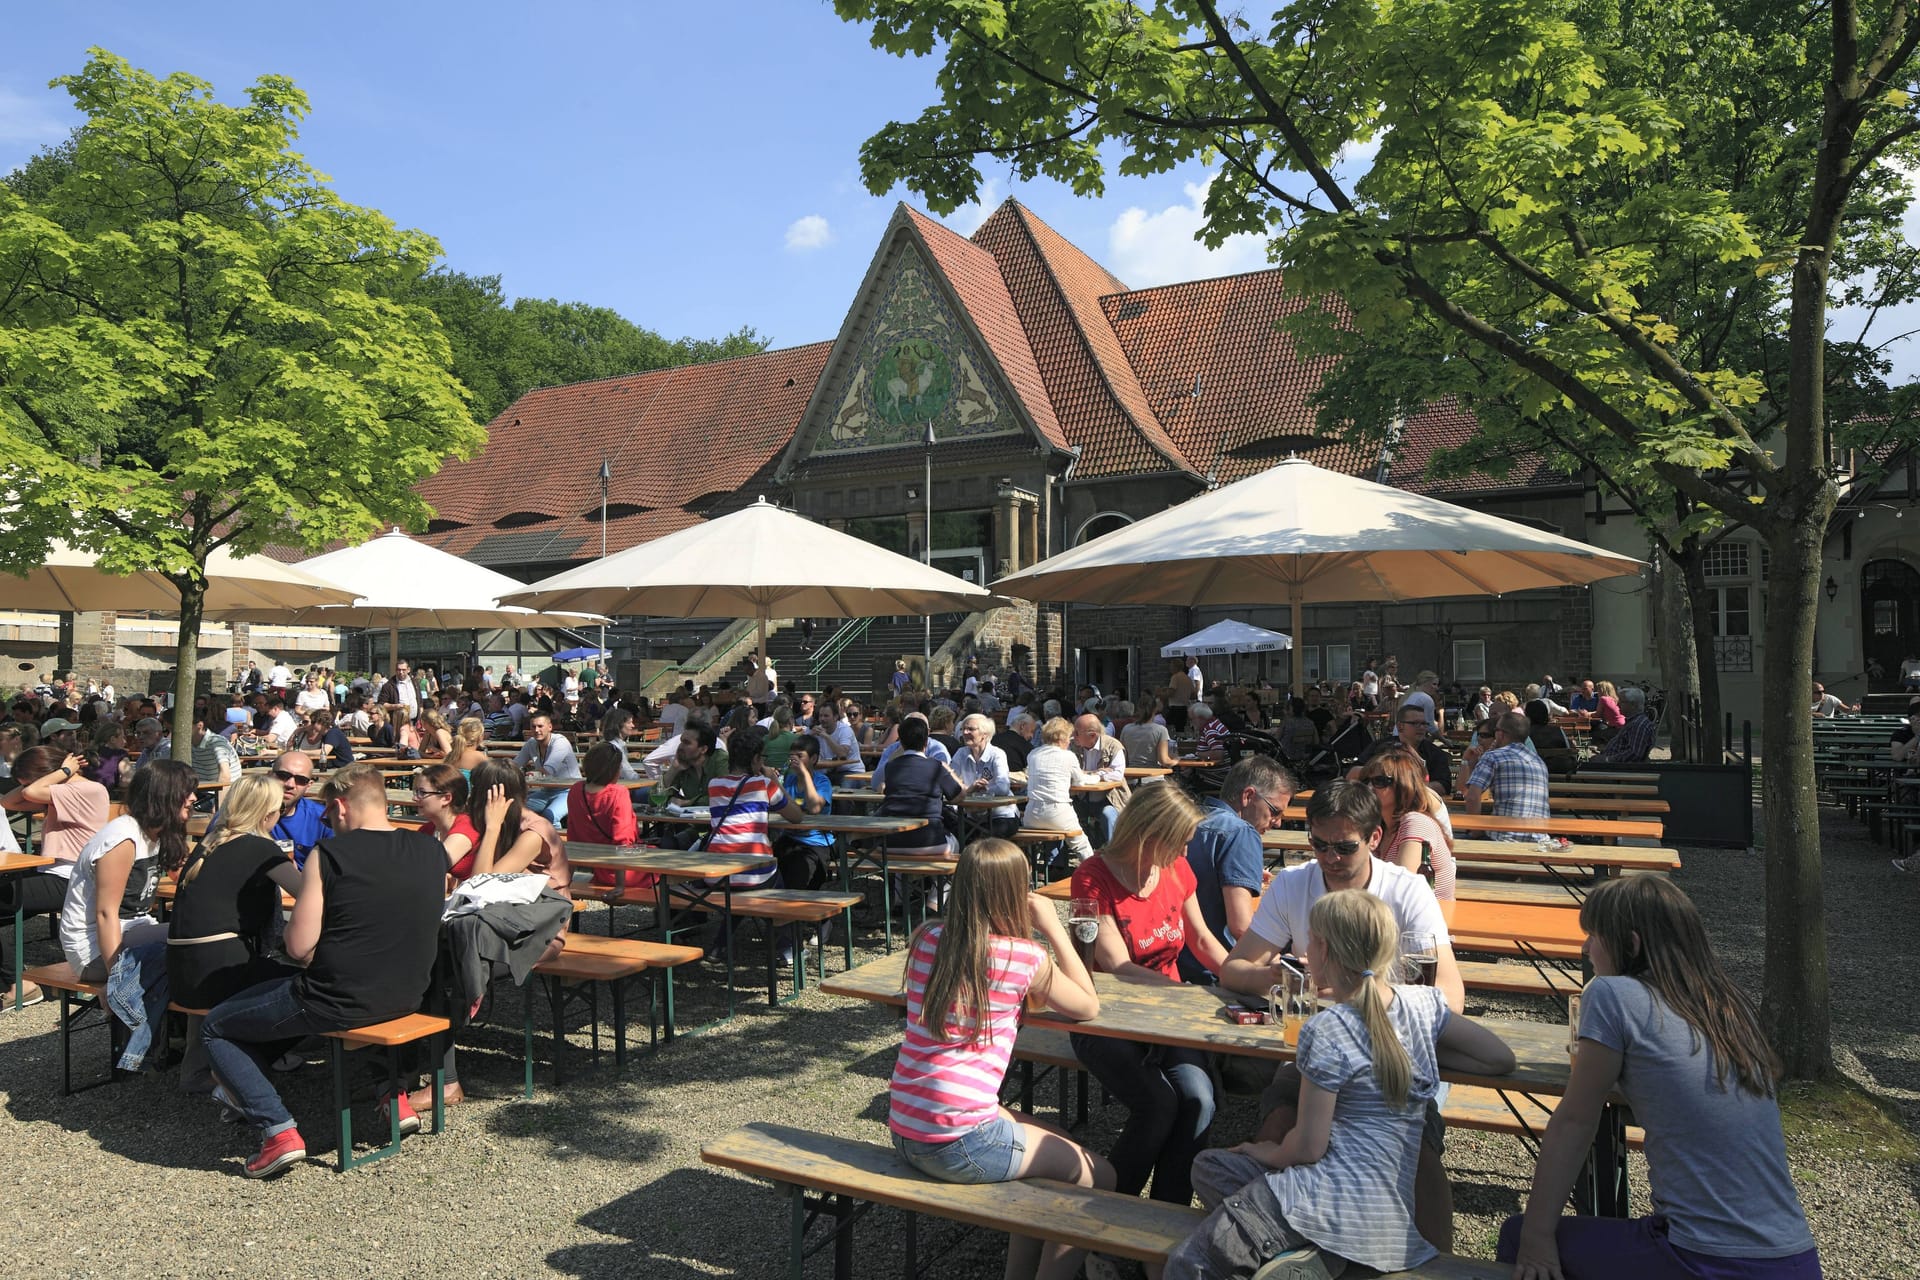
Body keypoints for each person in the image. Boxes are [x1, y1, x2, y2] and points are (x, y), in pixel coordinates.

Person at [1168, 890, 1516, 1280]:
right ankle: (1313, 1257)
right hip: (1389, 1219)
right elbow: (1499, 1057)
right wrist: (1407, 1051)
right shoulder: (1424, 1005)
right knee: (1210, 1165)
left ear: (1323, 950)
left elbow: (1308, 1149)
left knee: (1188, 1265)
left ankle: (1316, 1251)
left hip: (1322, 1201)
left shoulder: (1327, 1029)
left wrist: (1265, 1150)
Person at [1501, 876, 1820, 1280]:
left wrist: (1536, 1236)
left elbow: (1575, 1121)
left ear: (1630, 945)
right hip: (1795, 1259)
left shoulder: (1612, 994)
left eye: (1593, 936)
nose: (1585, 948)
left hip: (1705, 1260)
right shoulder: (1725, 1005)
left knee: (1519, 1238)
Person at [1218, 780, 1465, 1248]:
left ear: (1374, 839)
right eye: (1318, 843)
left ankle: (1441, 1261)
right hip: (1315, 1047)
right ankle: (1273, 1243)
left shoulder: (1407, 891)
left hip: (1389, 1051)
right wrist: (1284, 978)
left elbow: (1451, 995)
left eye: (1344, 846)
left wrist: (1362, 989)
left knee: (1418, 1144)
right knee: (1276, 1125)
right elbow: (1235, 969)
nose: (1329, 857)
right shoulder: (1293, 883)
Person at [200, 763, 446, 1177]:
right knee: (345, 989)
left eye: (330, 816)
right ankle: (392, 1094)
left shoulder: (328, 854)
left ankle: (277, 1130)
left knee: (216, 1026)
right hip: (409, 991)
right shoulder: (431, 850)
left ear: (341, 807)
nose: (330, 823)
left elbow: (298, 947)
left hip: (335, 1000)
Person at [887, 838, 1107, 1280]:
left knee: (1053, 1139)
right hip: (960, 1141)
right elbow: (1088, 1005)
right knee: (1098, 1177)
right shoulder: (1023, 958)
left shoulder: (927, 938)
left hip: (907, 1128)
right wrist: (1052, 926)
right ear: (1015, 893)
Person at [1070, 783, 1224, 1207]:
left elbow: (1204, 941)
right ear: (1149, 835)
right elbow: (1118, 969)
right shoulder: (1093, 876)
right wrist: (1191, 998)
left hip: (1167, 1015)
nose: (1186, 854)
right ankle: (1109, 1217)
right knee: (1158, 1103)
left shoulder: (1175, 868)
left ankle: (1162, 1221)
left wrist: (1242, 979)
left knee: (1198, 1100)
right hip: (1106, 1016)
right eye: (1181, 843)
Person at [168, 773, 303, 1009]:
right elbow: (310, 895)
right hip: (222, 973)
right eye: (279, 808)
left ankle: (198, 1044)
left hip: (182, 974)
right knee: (312, 986)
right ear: (267, 813)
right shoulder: (261, 848)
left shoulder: (209, 842)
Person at [61, 759, 195, 982]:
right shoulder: (123, 839)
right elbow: (105, 914)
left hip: (133, 931)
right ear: (163, 796)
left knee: (206, 938)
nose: (194, 798)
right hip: (96, 950)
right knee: (191, 939)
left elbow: (184, 877)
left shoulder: (158, 830)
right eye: (187, 792)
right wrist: (117, 979)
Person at [0, 745, 112, 1005]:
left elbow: (29, 792)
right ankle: (15, 981)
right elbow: (8, 801)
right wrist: (57, 774)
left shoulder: (87, 790)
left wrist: (62, 771)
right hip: (53, 872)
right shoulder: (63, 791)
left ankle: (20, 985)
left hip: (71, 880)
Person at [1178, 756, 1295, 986]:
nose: (1278, 822)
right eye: (1274, 811)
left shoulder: (1190, 818)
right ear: (1248, 796)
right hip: (1215, 972)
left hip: (1179, 962)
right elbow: (1241, 926)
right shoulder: (1242, 833)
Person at [466, 760, 572, 896]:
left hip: (543, 909)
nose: (470, 798)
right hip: (513, 903)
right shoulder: (506, 822)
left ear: (491, 796)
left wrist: (492, 828)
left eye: (475, 790)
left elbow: (480, 886)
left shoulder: (533, 834)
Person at [1367, 747, 1457, 899]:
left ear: (1404, 786)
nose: (1369, 787)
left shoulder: (1415, 822)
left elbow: (1401, 885)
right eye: (1367, 781)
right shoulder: (1383, 827)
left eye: (1379, 781)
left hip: (1427, 917)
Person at [877, 716, 963, 859]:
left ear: (901, 742)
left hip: (891, 842)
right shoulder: (936, 766)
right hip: (930, 841)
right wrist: (951, 773)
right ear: (926, 741)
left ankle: (901, 882)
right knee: (955, 843)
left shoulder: (891, 767)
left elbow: (879, 786)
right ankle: (940, 881)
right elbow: (958, 796)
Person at [1462, 711, 1554, 842]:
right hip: (1540, 840)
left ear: (1500, 734)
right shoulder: (1538, 761)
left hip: (1503, 839)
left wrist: (1475, 830)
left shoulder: (1493, 757)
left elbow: (1471, 797)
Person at [1020, 717, 1094, 870]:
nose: (1070, 742)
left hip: (1032, 815)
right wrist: (1096, 777)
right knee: (1082, 844)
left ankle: (1037, 871)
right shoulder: (1068, 756)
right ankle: (1095, 874)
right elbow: (1080, 781)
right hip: (1058, 812)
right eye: (1069, 738)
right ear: (1063, 738)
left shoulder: (1033, 754)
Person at [776, 734, 835, 894]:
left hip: (815, 843)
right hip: (789, 838)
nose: (794, 760)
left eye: (800, 756)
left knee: (797, 875)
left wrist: (805, 774)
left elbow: (815, 807)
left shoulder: (822, 781)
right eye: (791, 756)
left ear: (813, 758)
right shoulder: (789, 780)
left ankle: (814, 916)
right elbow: (783, 804)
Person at [952, 713, 1019, 840]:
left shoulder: (997, 754)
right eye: (963, 729)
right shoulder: (961, 753)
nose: (965, 733)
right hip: (973, 817)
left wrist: (984, 790)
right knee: (954, 832)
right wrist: (971, 789)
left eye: (970, 729)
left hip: (1001, 815)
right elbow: (951, 783)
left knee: (986, 837)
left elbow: (1003, 788)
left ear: (985, 734)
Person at [411, 763, 478, 880]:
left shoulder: (466, 828)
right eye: (416, 792)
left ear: (446, 798)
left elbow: (431, 867)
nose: (415, 798)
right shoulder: (426, 829)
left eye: (422, 792)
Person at [1070, 713, 1129, 844]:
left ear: (1092, 735)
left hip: (1108, 799)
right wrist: (1099, 772)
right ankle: (1057, 863)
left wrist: (1086, 774)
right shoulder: (1073, 746)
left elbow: (1117, 775)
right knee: (1060, 814)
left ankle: (1113, 854)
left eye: (1077, 732)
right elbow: (1067, 772)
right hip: (1080, 798)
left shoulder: (1113, 746)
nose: (1073, 735)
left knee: (1108, 815)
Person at [514, 712, 580, 827]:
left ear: (550, 727)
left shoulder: (560, 742)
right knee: (514, 810)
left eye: (540, 726)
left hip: (569, 791)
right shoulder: (531, 743)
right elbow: (514, 765)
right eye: (533, 726)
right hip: (546, 791)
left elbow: (547, 771)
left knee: (550, 816)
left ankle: (557, 844)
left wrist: (527, 776)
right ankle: (528, 840)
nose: (536, 730)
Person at [1391, 700, 1453, 792]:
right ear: (1400, 726)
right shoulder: (1381, 748)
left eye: (1424, 724)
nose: (1421, 727)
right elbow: (1362, 771)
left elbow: (1444, 786)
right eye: (1415, 723)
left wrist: (1409, 790)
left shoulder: (1435, 753)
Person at [1592, 686, 1658, 765]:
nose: (1618, 705)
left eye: (1622, 702)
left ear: (1633, 704)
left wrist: (1607, 759)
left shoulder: (1638, 725)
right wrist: (1604, 750)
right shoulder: (1632, 721)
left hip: (1621, 770)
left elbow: (1634, 754)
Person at [288, 707, 354, 767]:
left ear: (321, 722)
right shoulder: (326, 733)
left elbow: (323, 752)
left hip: (344, 768)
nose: (312, 725)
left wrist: (301, 752)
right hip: (334, 766)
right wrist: (297, 731)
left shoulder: (333, 733)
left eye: (313, 722)